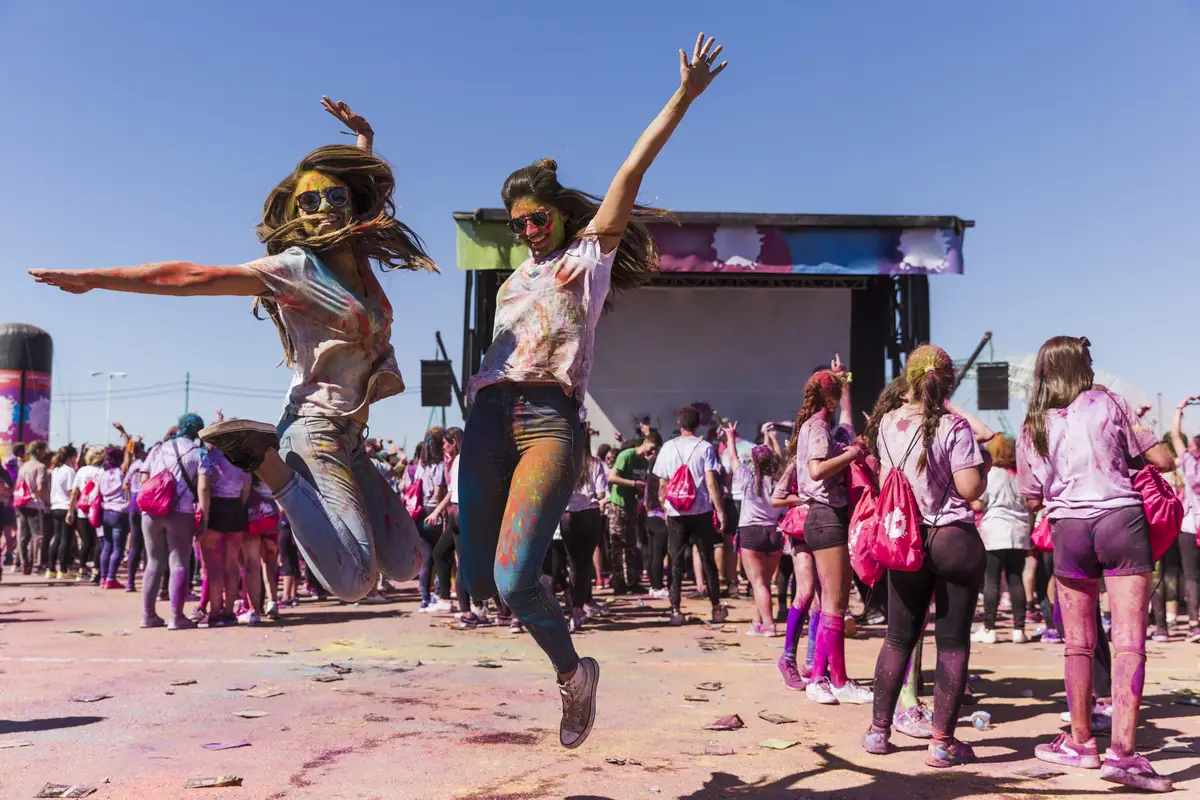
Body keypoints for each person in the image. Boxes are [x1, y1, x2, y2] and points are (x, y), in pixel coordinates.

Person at [30, 98, 430, 606]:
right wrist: (93, 279)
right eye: (310, 203)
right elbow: (192, 278)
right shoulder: (295, 269)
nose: (325, 209)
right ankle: (266, 463)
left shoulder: (358, 258)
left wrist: (364, 140)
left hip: (351, 433)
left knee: (408, 561)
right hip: (315, 429)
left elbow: (368, 190)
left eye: (335, 196)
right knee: (354, 582)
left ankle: (274, 462)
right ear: (296, 215)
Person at [455, 34, 727, 751]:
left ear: (562, 218)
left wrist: (683, 97)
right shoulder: (515, 279)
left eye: (536, 220)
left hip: (547, 420)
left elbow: (630, 171)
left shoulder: (585, 258)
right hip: (487, 418)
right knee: (479, 584)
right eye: (516, 226)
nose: (527, 233)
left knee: (515, 581)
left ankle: (575, 676)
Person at [1018, 336, 1175, 792]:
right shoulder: (1111, 403)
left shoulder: (1033, 424)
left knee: (1078, 645)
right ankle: (1123, 756)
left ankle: (1082, 743)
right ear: (1082, 366)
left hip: (1069, 529)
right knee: (1128, 643)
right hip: (1120, 520)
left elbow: (1031, 496)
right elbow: (1161, 460)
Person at [861, 345, 994, 768]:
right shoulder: (954, 426)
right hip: (953, 538)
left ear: (909, 380)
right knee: (952, 641)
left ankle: (879, 731)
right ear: (947, 382)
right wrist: (984, 464)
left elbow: (887, 480)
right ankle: (940, 743)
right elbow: (970, 490)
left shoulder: (887, 424)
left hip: (907, 539)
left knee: (899, 636)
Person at [787, 357, 873, 706]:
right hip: (826, 516)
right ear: (831, 399)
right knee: (835, 604)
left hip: (821, 517)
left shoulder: (812, 425)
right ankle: (839, 680)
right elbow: (817, 469)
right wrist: (853, 453)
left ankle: (820, 678)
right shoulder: (819, 427)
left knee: (828, 605)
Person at [654, 405, 727, 627]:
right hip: (701, 510)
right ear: (698, 425)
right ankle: (715, 607)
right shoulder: (705, 447)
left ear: (679, 424)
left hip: (676, 512)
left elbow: (662, 484)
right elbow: (711, 482)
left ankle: (675, 610)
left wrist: (665, 506)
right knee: (707, 560)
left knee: (675, 561)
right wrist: (720, 510)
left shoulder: (667, 447)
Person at [140, 415, 212, 630]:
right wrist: (204, 518)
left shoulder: (158, 449)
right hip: (180, 512)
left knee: (153, 562)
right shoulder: (200, 453)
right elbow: (204, 488)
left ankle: (148, 615)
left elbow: (144, 479)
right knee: (179, 562)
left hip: (151, 511)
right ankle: (176, 616)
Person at [722, 422, 782, 635]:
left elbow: (733, 458)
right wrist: (769, 440)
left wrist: (730, 437)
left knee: (759, 583)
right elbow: (774, 457)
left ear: (753, 462)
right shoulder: (779, 483)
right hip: (775, 534)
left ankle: (769, 625)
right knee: (764, 583)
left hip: (751, 534)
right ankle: (758, 621)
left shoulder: (746, 479)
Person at [971, 434, 1031, 644]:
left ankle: (989, 628)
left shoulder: (991, 474)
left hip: (994, 531)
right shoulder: (1021, 474)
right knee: (1016, 579)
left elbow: (978, 504)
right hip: (1019, 532)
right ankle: (1019, 629)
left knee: (992, 580)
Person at [562, 437, 615, 631]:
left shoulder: (564, 462)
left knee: (574, 564)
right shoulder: (594, 463)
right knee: (585, 565)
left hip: (568, 516)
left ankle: (575, 612)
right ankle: (578, 610)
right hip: (590, 515)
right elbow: (602, 494)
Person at [606, 435, 657, 595]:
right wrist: (633, 483)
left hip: (632, 505)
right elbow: (612, 477)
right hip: (618, 504)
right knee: (617, 544)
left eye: (655, 450)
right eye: (651, 448)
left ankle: (632, 581)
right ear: (645, 442)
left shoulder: (644, 462)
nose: (652, 452)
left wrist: (641, 491)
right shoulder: (626, 455)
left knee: (631, 545)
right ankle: (618, 581)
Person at [1171, 396, 1200, 642]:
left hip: (1191, 525)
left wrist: (1181, 408)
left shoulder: (1189, 463)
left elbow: (1174, 436)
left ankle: (1193, 625)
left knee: (1191, 576)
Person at [414, 428, 450, 612]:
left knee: (425, 559)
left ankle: (424, 599)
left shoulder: (421, 465)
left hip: (420, 514)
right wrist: (441, 513)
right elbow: (438, 492)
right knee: (440, 557)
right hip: (433, 512)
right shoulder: (440, 465)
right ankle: (437, 595)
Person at [97, 445, 132, 589]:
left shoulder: (103, 474)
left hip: (106, 511)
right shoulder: (121, 473)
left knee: (106, 546)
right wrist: (125, 435)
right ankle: (111, 577)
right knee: (118, 548)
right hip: (120, 512)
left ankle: (103, 578)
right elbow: (128, 457)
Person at [68, 445, 104, 582]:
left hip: (83, 510)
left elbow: (74, 492)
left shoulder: (82, 471)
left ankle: (82, 569)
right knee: (98, 542)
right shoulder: (102, 471)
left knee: (86, 541)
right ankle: (96, 570)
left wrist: (70, 510)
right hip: (97, 510)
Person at [15, 441, 51, 576]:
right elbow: (40, 487)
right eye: (42, 450)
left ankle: (24, 563)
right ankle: (36, 564)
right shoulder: (40, 467)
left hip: (23, 503)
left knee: (23, 536)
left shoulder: (23, 467)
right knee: (38, 536)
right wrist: (46, 501)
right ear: (38, 451)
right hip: (35, 504)